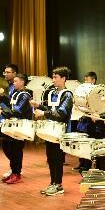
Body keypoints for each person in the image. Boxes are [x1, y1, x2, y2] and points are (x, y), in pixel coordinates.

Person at [33, 67, 73, 196]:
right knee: (50, 158)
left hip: (60, 132)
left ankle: (58, 185)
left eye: (56, 77)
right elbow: (51, 109)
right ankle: (53, 182)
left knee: (57, 158)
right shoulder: (53, 93)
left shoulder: (67, 94)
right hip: (50, 131)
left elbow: (61, 113)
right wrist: (39, 106)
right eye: (53, 77)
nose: (53, 80)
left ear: (63, 78)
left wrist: (43, 112)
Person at [0, 73, 32, 184]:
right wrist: (1, 103)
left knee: (16, 150)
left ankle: (17, 173)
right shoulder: (16, 93)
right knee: (7, 147)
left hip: (20, 127)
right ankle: (14, 171)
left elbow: (17, 111)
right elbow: (11, 104)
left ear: (22, 82)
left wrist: (1, 111)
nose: (14, 83)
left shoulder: (25, 95)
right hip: (12, 126)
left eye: (16, 81)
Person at [0, 64, 19, 180]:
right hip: (3, 117)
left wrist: (3, 95)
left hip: (13, 119)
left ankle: (16, 170)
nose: (5, 74)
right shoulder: (5, 85)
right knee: (6, 146)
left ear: (15, 74)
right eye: (5, 72)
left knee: (14, 148)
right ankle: (14, 168)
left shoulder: (17, 88)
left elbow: (13, 104)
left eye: (8, 72)